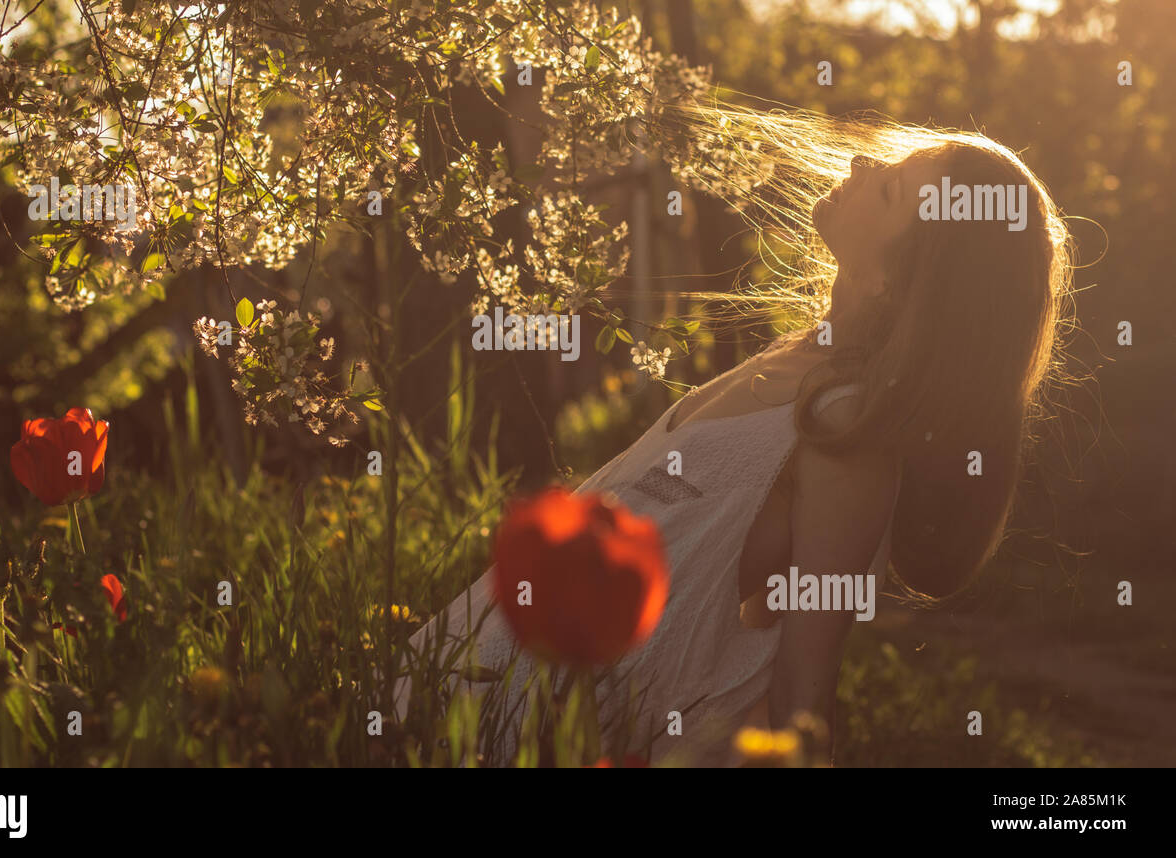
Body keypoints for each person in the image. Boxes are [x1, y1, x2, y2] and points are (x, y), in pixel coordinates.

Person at [398, 111, 1075, 767]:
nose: (864, 162)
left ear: (899, 280)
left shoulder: (846, 433)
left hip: (543, 735)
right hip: (463, 692)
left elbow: (800, 690)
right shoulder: (795, 360)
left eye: (891, 185)